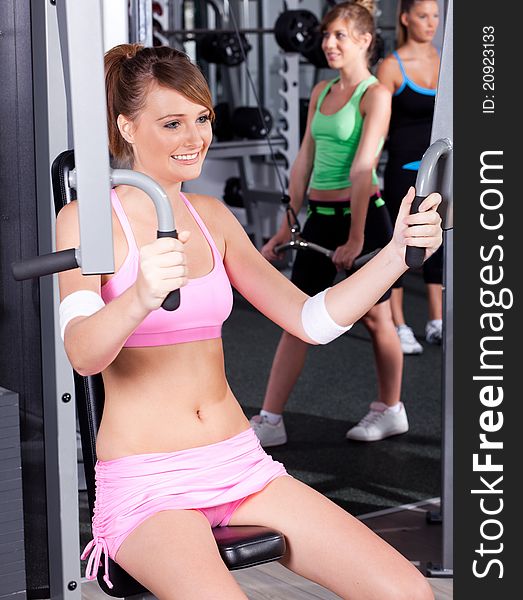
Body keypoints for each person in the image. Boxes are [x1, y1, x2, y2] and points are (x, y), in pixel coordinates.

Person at [56, 42, 440, 600]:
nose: (195, 139)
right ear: (126, 126)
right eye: (172, 123)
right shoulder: (86, 221)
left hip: (239, 465)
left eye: (202, 119)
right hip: (149, 484)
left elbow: (311, 320)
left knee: (407, 593)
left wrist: (396, 252)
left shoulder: (212, 217)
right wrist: (140, 295)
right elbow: (83, 353)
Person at [251, 0, 407, 448]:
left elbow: (364, 168)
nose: (328, 43)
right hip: (319, 218)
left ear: (363, 39)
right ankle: (270, 419)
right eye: (325, 36)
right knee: (297, 318)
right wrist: (287, 224)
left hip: (363, 219)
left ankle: (391, 409)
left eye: (339, 35)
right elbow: (303, 160)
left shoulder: (375, 94)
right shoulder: (321, 92)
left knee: (378, 320)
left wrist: (357, 237)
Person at [377, 0, 443, 354]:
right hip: (402, 168)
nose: (431, 23)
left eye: (435, 15)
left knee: (439, 239)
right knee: (400, 241)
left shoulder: (447, 62)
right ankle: (399, 323)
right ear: (405, 18)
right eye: (423, 15)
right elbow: (377, 128)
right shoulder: (391, 66)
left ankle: (437, 319)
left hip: (440, 169)